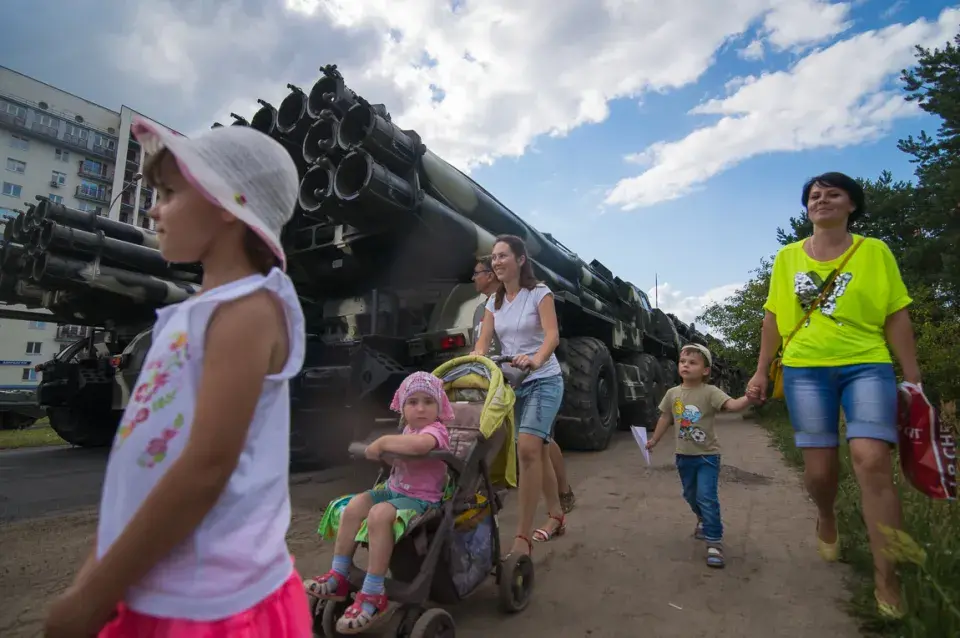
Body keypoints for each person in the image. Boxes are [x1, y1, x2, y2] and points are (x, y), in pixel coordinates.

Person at [43, 121, 311, 637]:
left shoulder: (248, 310)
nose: (152, 209)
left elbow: (205, 469)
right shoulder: (199, 312)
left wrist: (90, 598)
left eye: (167, 193)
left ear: (226, 204)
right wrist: (93, 580)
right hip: (157, 587)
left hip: (212, 610)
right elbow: (141, 477)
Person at [747, 172, 920, 619]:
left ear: (852, 205)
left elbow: (896, 314)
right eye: (814, 196)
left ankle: (888, 577)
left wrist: (913, 379)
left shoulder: (874, 251)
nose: (821, 200)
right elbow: (772, 318)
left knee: (872, 460)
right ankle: (827, 514)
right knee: (820, 472)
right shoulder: (787, 257)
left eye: (833, 194)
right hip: (805, 370)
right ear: (807, 208)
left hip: (866, 362)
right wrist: (762, 371)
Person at [303, 371, 452, 634]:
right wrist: (384, 455)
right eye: (413, 402)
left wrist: (382, 442)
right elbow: (401, 458)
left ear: (439, 407)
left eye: (428, 402)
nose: (420, 408)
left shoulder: (435, 431)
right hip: (394, 490)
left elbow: (419, 447)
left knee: (380, 514)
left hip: (420, 499)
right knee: (356, 504)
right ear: (402, 407)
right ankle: (339, 574)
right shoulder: (406, 429)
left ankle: (373, 592)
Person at [471, 235, 566, 557]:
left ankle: (522, 538)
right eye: (493, 257)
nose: (496, 262)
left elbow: (552, 336)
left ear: (520, 259)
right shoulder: (492, 302)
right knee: (536, 451)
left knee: (527, 449)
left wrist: (536, 359)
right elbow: (483, 344)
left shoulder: (539, 293)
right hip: (514, 383)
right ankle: (556, 515)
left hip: (544, 379)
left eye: (502, 256)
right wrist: (475, 363)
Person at [646, 344, 754, 569]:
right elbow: (666, 418)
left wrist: (748, 398)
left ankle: (714, 542)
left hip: (707, 456)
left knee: (707, 496)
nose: (685, 365)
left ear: (705, 370)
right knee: (690, 495)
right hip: (683, 456)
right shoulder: (672, 393)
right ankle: (703, 519)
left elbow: (732, 405)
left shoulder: (710, 392)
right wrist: (654, 440)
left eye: (692, 362)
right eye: (683, 361)